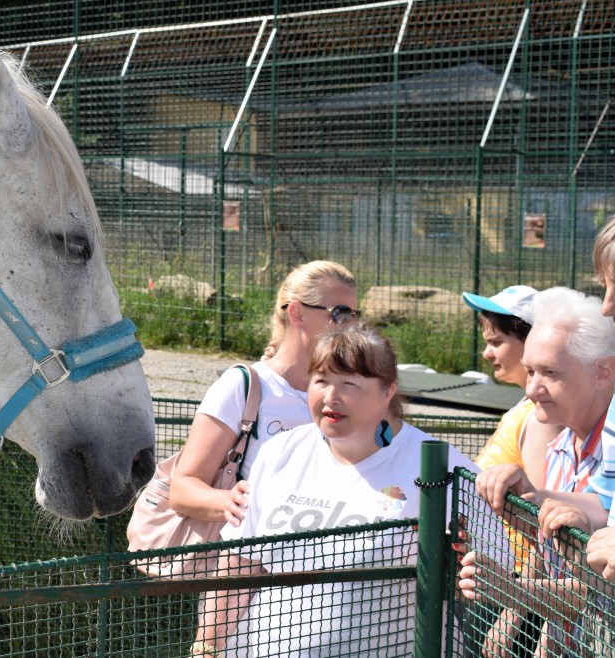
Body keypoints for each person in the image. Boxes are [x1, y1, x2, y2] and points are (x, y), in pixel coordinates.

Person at [196, 324, 484, 657]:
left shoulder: (440, 467)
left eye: (349, 384)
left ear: (388, 391)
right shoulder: (279, 453)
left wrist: (457, 565)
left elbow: (487, 577)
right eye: (321, 381)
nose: (331, 396)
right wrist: (206, 646)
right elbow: (239, 563)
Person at [169, 260, 359, 658]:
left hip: (329, 596)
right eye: (340, 313)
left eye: (356, 315)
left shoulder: (352, 395)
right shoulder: (244, 386)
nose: (351, 326)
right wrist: (231, 501)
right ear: (297, 313)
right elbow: (182, 488)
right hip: (244, 598)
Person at [459, 286, 615, 657]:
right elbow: (555, 552)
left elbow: (596, 589)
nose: (531, 389)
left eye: (550, 372)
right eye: (530, 371)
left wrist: (512, 595)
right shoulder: (561, 446)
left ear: (603, 372)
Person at [462, 285, 562, 655]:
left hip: (518, 592)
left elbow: (543, 519)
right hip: (501, 583)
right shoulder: (525, 409)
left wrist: (512, 614)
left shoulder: (541, 418)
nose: (487, 353)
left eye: (497, 342)